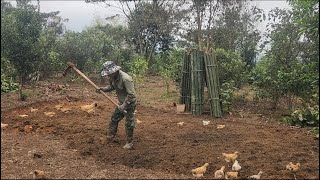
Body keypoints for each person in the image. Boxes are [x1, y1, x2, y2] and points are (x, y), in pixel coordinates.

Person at [97, 61, 137, 149]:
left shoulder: (126, 79)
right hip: (121, 103)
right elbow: (112, 87)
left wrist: (124, 105)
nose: (108, 75)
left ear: (114, 71)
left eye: (109, 73)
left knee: (129, 123)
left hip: (130, 103)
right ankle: (110, 137)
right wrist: (103, 89)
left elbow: (132, 95)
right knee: (114, 119)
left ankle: (130, 142)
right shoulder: (113, 77)